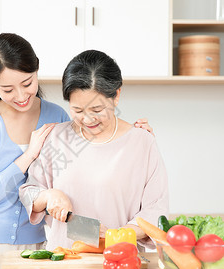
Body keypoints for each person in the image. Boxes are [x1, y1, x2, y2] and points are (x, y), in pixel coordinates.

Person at [0, 33, 154, 254]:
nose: (21, 95)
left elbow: (78, 173)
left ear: (36, 71)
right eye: (8, 90)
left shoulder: (57, 116)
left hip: (36, 244)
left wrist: (135, 137)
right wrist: (28, 156)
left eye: (27, 83)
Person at [19, 50, 169, 251]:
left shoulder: (142, 142)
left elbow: (155, 211)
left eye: (97, 110)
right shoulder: (55, 138)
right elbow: (29, 193)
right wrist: (48, 196)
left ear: (116, 95)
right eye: (78, 111)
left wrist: (116, 237)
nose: (88, 120)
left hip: (121, 260)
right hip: (64, 261)